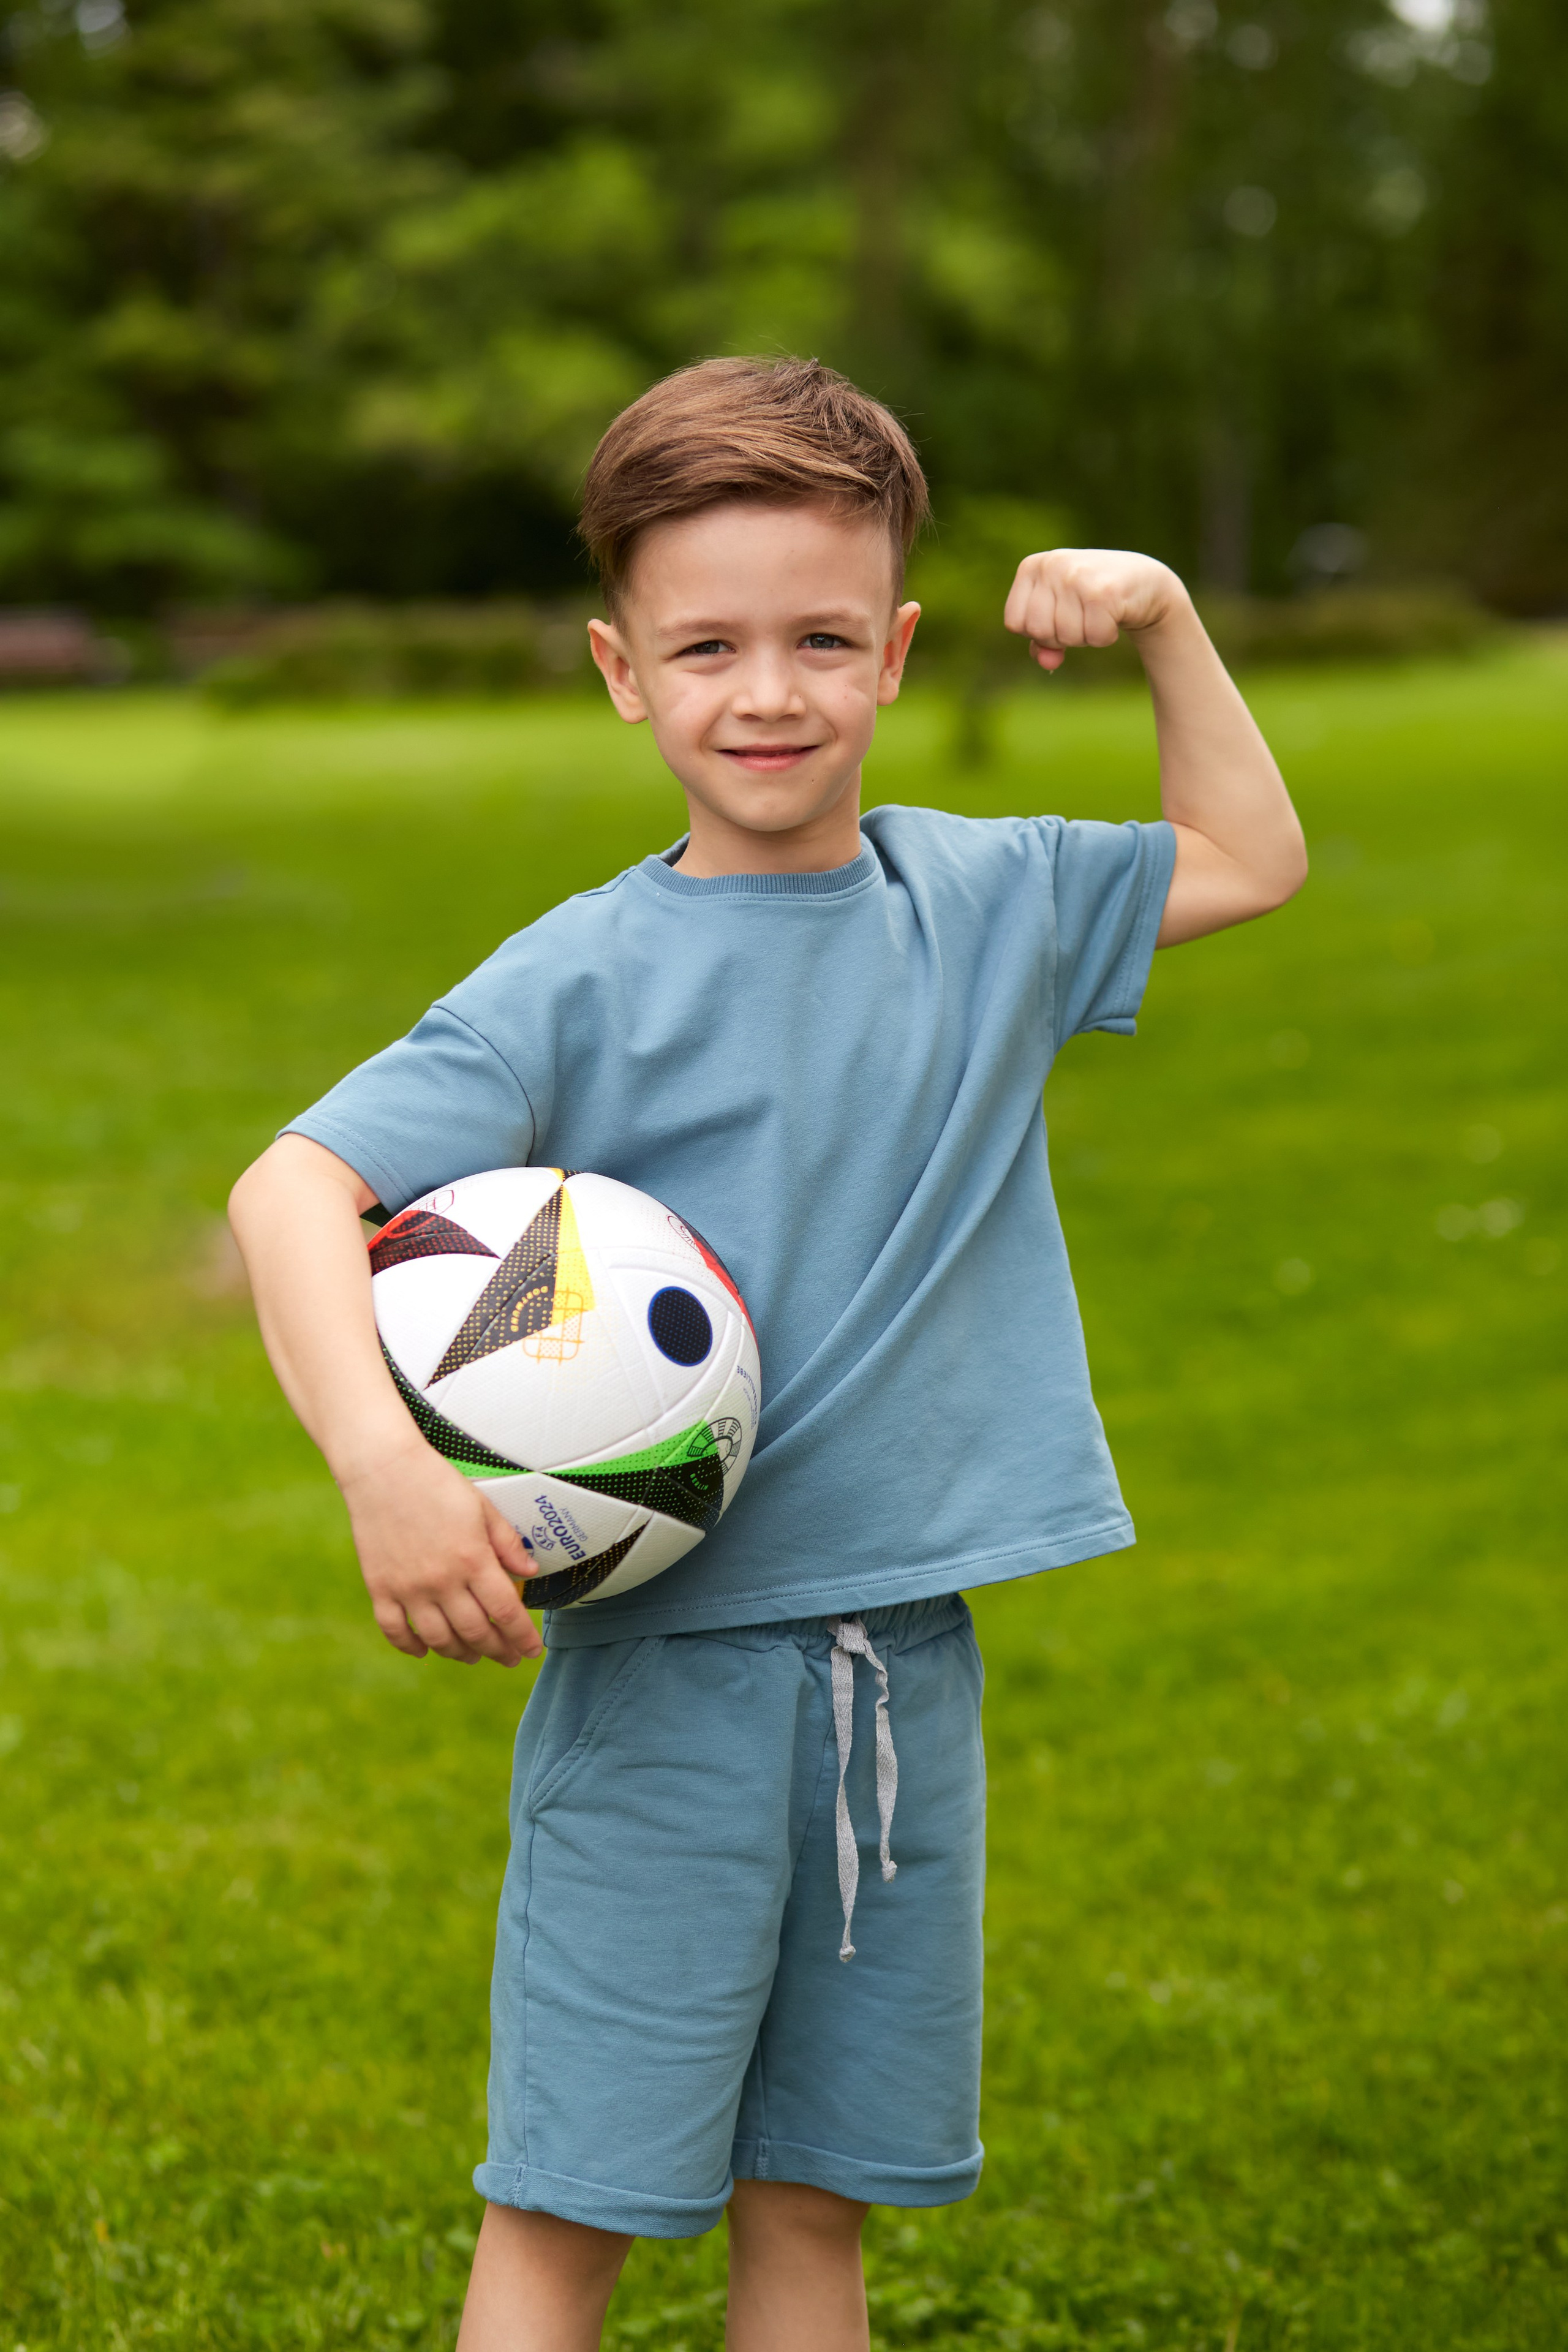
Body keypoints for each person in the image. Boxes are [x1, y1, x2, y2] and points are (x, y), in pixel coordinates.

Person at [228, 355, 1306, 2352]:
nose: (771, 692)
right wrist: (388, 1466)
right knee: (572, 2207)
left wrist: (1164, 620)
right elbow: (289, 1188)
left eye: (823, 639)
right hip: (665, 1701)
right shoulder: (580, 974)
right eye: (707, 645)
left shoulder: (982, 901)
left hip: (907, 1669)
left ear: (895, 652)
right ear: (622, 672)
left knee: (814, 2214)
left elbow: (1248, 858)